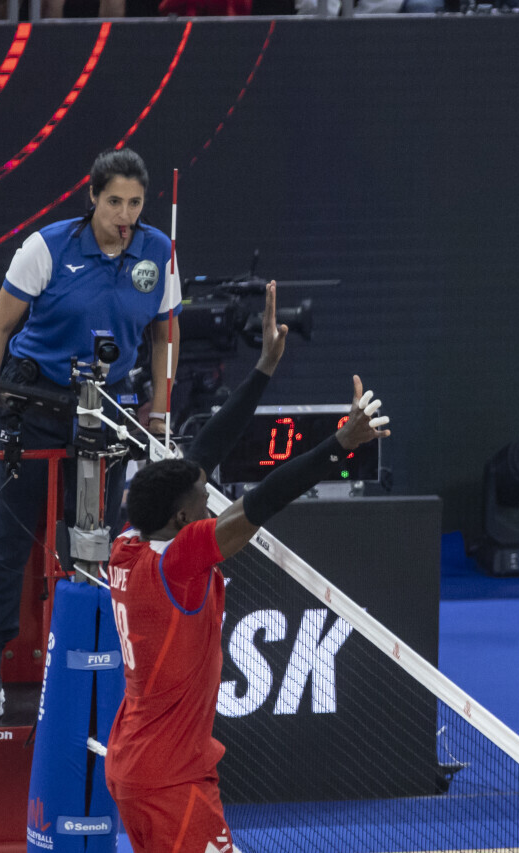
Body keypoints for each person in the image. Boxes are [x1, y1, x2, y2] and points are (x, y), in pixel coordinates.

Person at [104, 286, 390, 853]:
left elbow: (201, 454)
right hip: (171, 781)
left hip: (136, 766)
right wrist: (341, 443)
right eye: (203, 498)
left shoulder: (128, 544)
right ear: (184, 519)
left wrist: (262, 369)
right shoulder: (179, 563)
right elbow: (263, 501)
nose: (209, 496)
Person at [0, 147, 181, 717]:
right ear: (92, 198)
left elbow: (164, 335)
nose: (125, 215)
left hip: (105, 413)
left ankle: (92, 671)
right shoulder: (47, 248)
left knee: (95, 547)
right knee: (7, 546)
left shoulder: (159, 253)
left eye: (135, 203)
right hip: (33, 405)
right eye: (114, 202)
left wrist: (160, 413)